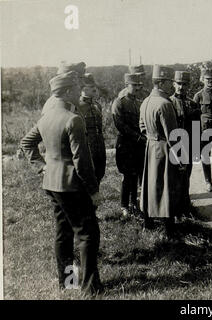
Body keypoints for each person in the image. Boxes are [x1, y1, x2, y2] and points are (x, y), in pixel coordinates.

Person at [21, 71, 102, 295]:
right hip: (72, 186)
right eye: (76, 89)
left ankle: (68, 282)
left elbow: (26, 143)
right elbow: (82, 162)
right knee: (88, 234)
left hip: (52, 184)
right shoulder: (73, 119)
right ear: (67, 92)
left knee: (63, 232)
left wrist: (42, 166)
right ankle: (90, 289)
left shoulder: (46, 117)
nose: (79, 92)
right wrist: (94, 191)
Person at [139, 65, 181, 230]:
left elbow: (142, 127)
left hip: (150, 147)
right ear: (162, 83)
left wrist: (152, 137)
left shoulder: (145, 101)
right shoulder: (165, 104)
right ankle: (169, 227)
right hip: (164, 148)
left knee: (150, 184)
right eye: (170, 82)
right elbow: (173, 135)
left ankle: (147, 222)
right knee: (166, 185)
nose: (172, 86)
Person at [111, 73, 147, 217]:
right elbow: (120, 125)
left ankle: (134, 203)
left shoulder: (139, 102)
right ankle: (124, 206)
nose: (138, 88)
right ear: (127, 85)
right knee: (127, 176)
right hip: (126, 144)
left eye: (139, 85)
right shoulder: (119, 102)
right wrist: (138, 137)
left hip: (138, 145)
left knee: (137, 173)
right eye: (134, 85)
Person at [170, 71, 201, 218]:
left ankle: (185, 207)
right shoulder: (168, 103)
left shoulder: (192, 104)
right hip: (173, 147)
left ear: (188, 86)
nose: (181, 87)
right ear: (173, 84)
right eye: (179, 84)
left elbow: (196, 129)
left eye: (184, 84)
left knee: (186, 178)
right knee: (174, 178)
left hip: (188, 146)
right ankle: (174, 210)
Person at [78, 73, 106, 185]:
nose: (95, 89)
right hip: (87, 146)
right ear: (83, 89)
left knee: (99, 172)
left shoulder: (97, 105)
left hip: (99, 145)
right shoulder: (77, 106)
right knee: (87, 176)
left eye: (94, 86)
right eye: (91, 87)